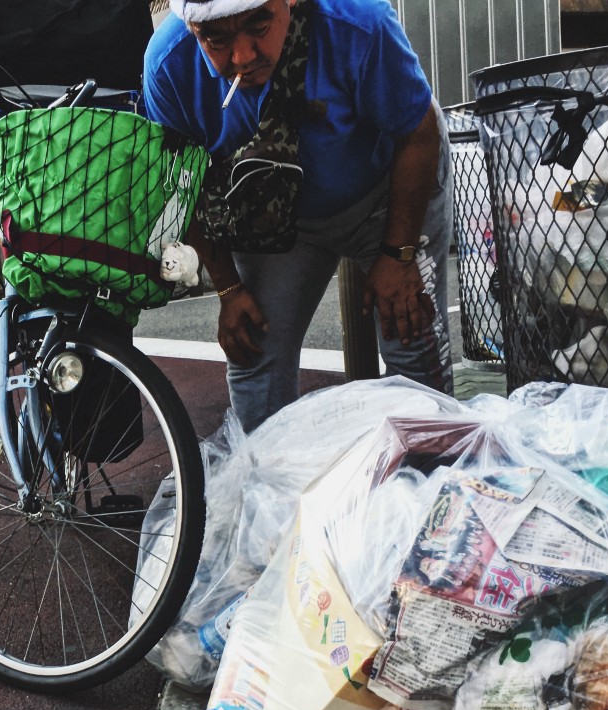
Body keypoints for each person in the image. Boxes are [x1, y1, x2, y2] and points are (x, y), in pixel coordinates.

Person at [143, 0, 454, 431]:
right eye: (218, 39)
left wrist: (399, 254)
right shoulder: (167, 65)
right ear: (192, 27)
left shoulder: (359, 21)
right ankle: (271, 485)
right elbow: (185, 182)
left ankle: (427, 482)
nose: (243, 57)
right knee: (255, 352)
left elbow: (418, 135)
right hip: (275, 219)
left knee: (411, 334)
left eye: (259, 25)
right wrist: (229, 290)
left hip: (385, 189)